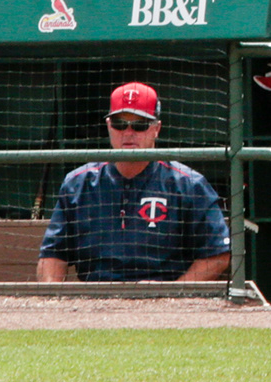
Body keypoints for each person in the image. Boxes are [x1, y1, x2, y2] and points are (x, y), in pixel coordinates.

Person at [37, 82, 230, 284]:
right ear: (109, 126)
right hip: (95, 297)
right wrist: (53, 298)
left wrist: (174, 293)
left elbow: (217, 254)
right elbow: (53, 254)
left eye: (139, 125)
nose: (128, 132)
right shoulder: (78, 184)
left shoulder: (188, 184)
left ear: (157, 128)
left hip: (163, 301)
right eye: (120, 124)